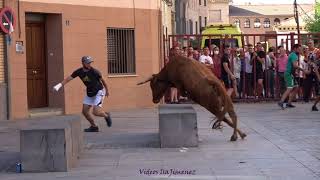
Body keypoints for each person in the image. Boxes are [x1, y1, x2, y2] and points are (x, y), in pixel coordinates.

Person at [53, 56, 112, 132]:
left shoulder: (95, 72)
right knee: (84, 111)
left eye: (90, 63)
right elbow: (68, 79)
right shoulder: (79, 72)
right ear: (83, 63)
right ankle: (94, 127)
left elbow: (103, 81)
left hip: (99, 92)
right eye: (88, 63)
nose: (89, 64)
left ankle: (106, 116)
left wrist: (107, 90)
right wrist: (59, 85)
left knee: (96, 112)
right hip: (90, 92)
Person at [278, 44, 307, 109]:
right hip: (289, 74)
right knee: (290, 88)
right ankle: (281, 101)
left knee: (296, 87)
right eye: (299, 49)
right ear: (295, 49)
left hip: (290, 73)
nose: (300, 50)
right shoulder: (294, 55)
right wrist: (303, 70)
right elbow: (295, 65)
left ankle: (289, 103)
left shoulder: (293, 54)